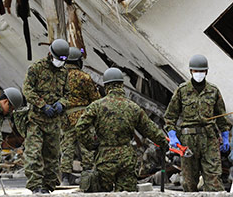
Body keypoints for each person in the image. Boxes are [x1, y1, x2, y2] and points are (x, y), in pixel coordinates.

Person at [75, 67, 167, 192]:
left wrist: (91, 144)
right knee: (126, 194)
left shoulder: (96, 106)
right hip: (126, 159)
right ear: (121, 85)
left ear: (106, 86)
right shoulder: (133, 107)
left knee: (103, 194)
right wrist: (163, 142)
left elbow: (80, 127)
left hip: (105, 158)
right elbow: (149, 129)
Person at [164, 54, 231, 192]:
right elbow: (170, 117)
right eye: (195, 71)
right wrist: (172, 135)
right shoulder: (182, 91)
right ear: (190, 71)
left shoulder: (213, 91)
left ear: (206, 72)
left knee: (214, 179)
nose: (198, 74)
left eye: (201, 71)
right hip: (188, 141)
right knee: (189, 182)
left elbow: (222, 119)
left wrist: (225, 137)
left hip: (209, 140)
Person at [23, 38, 70, 193]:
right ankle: (35, 185)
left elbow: (69, 94)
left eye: (63, 60)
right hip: (36, 120)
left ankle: (47, 186)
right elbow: (28, 90)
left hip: (54, 121)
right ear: (51, 54)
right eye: (58, 59)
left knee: (53, 155)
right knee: (34, 153)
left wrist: (61, 103)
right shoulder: (36, 68)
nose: (60, 62)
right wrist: (42, 105)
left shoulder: (64, 72)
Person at [60, 47, 100, 185]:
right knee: (86, 146)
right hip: (84, 116)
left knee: (67, 147)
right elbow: (95, 98)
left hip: (66, 117)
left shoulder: (60, 76)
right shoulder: (85, 77)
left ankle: (65, 177)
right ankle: (87, 175)